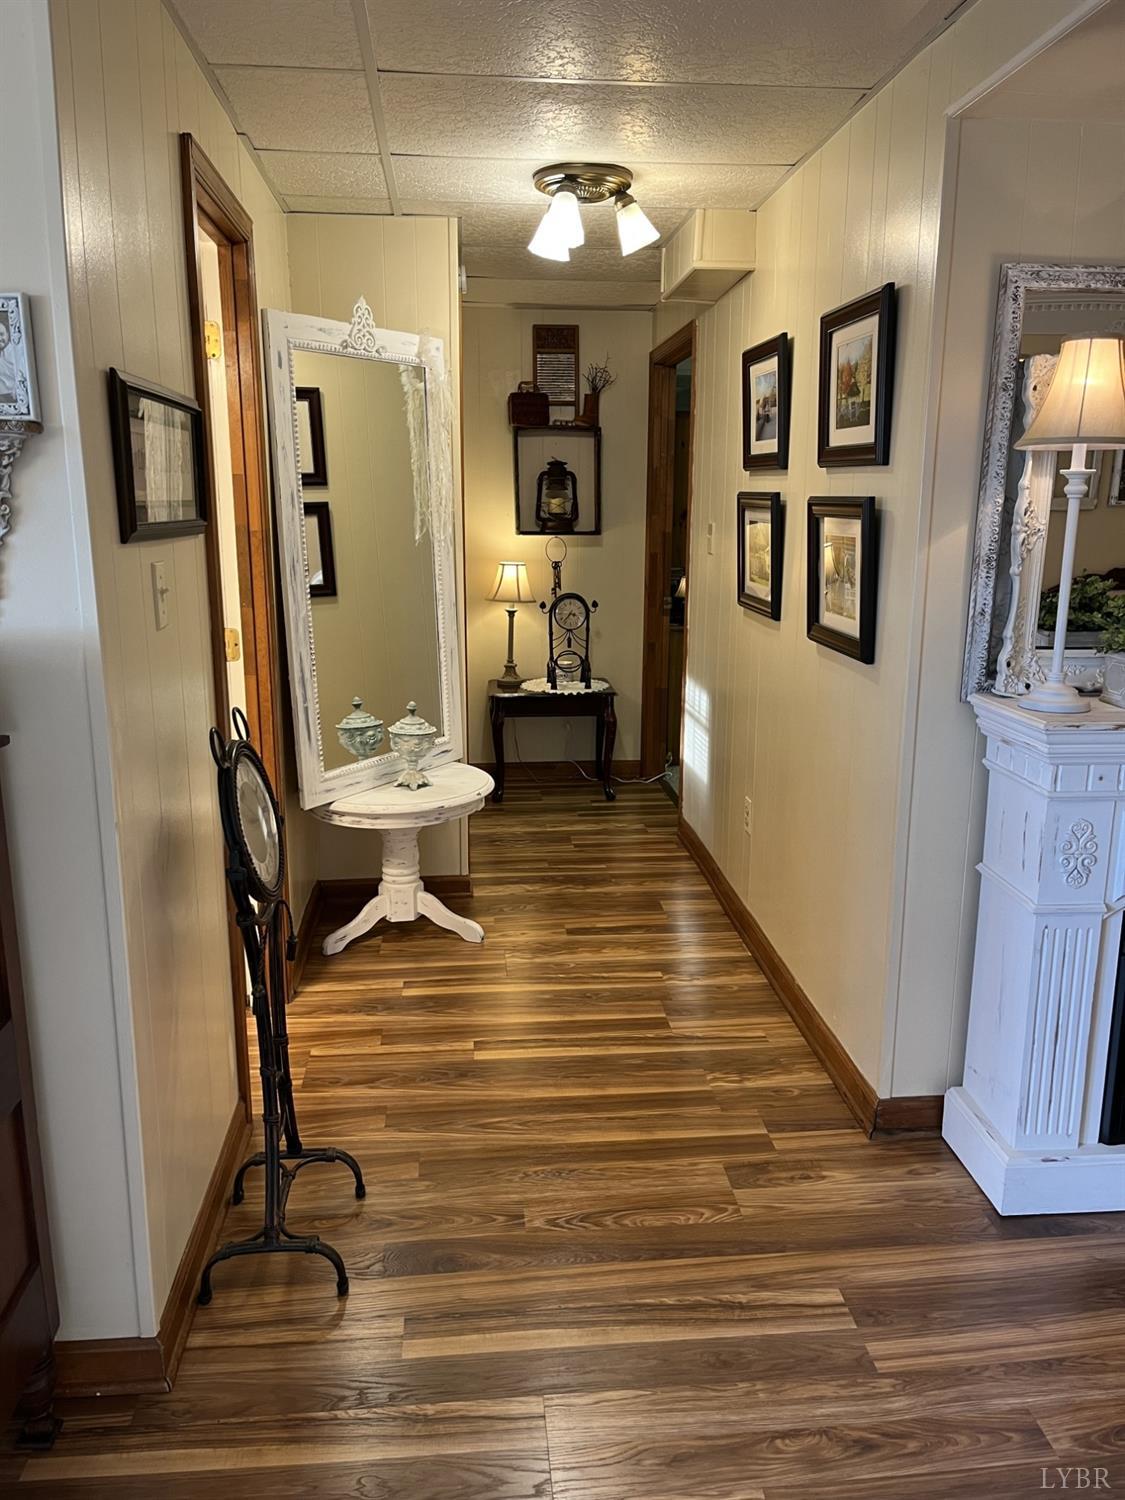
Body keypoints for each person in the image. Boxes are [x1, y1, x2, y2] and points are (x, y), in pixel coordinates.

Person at [0, 317, 20, 405]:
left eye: (1, 334)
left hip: (14, 396)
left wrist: (17, 389)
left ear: (8, 334)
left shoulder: (15, 353)